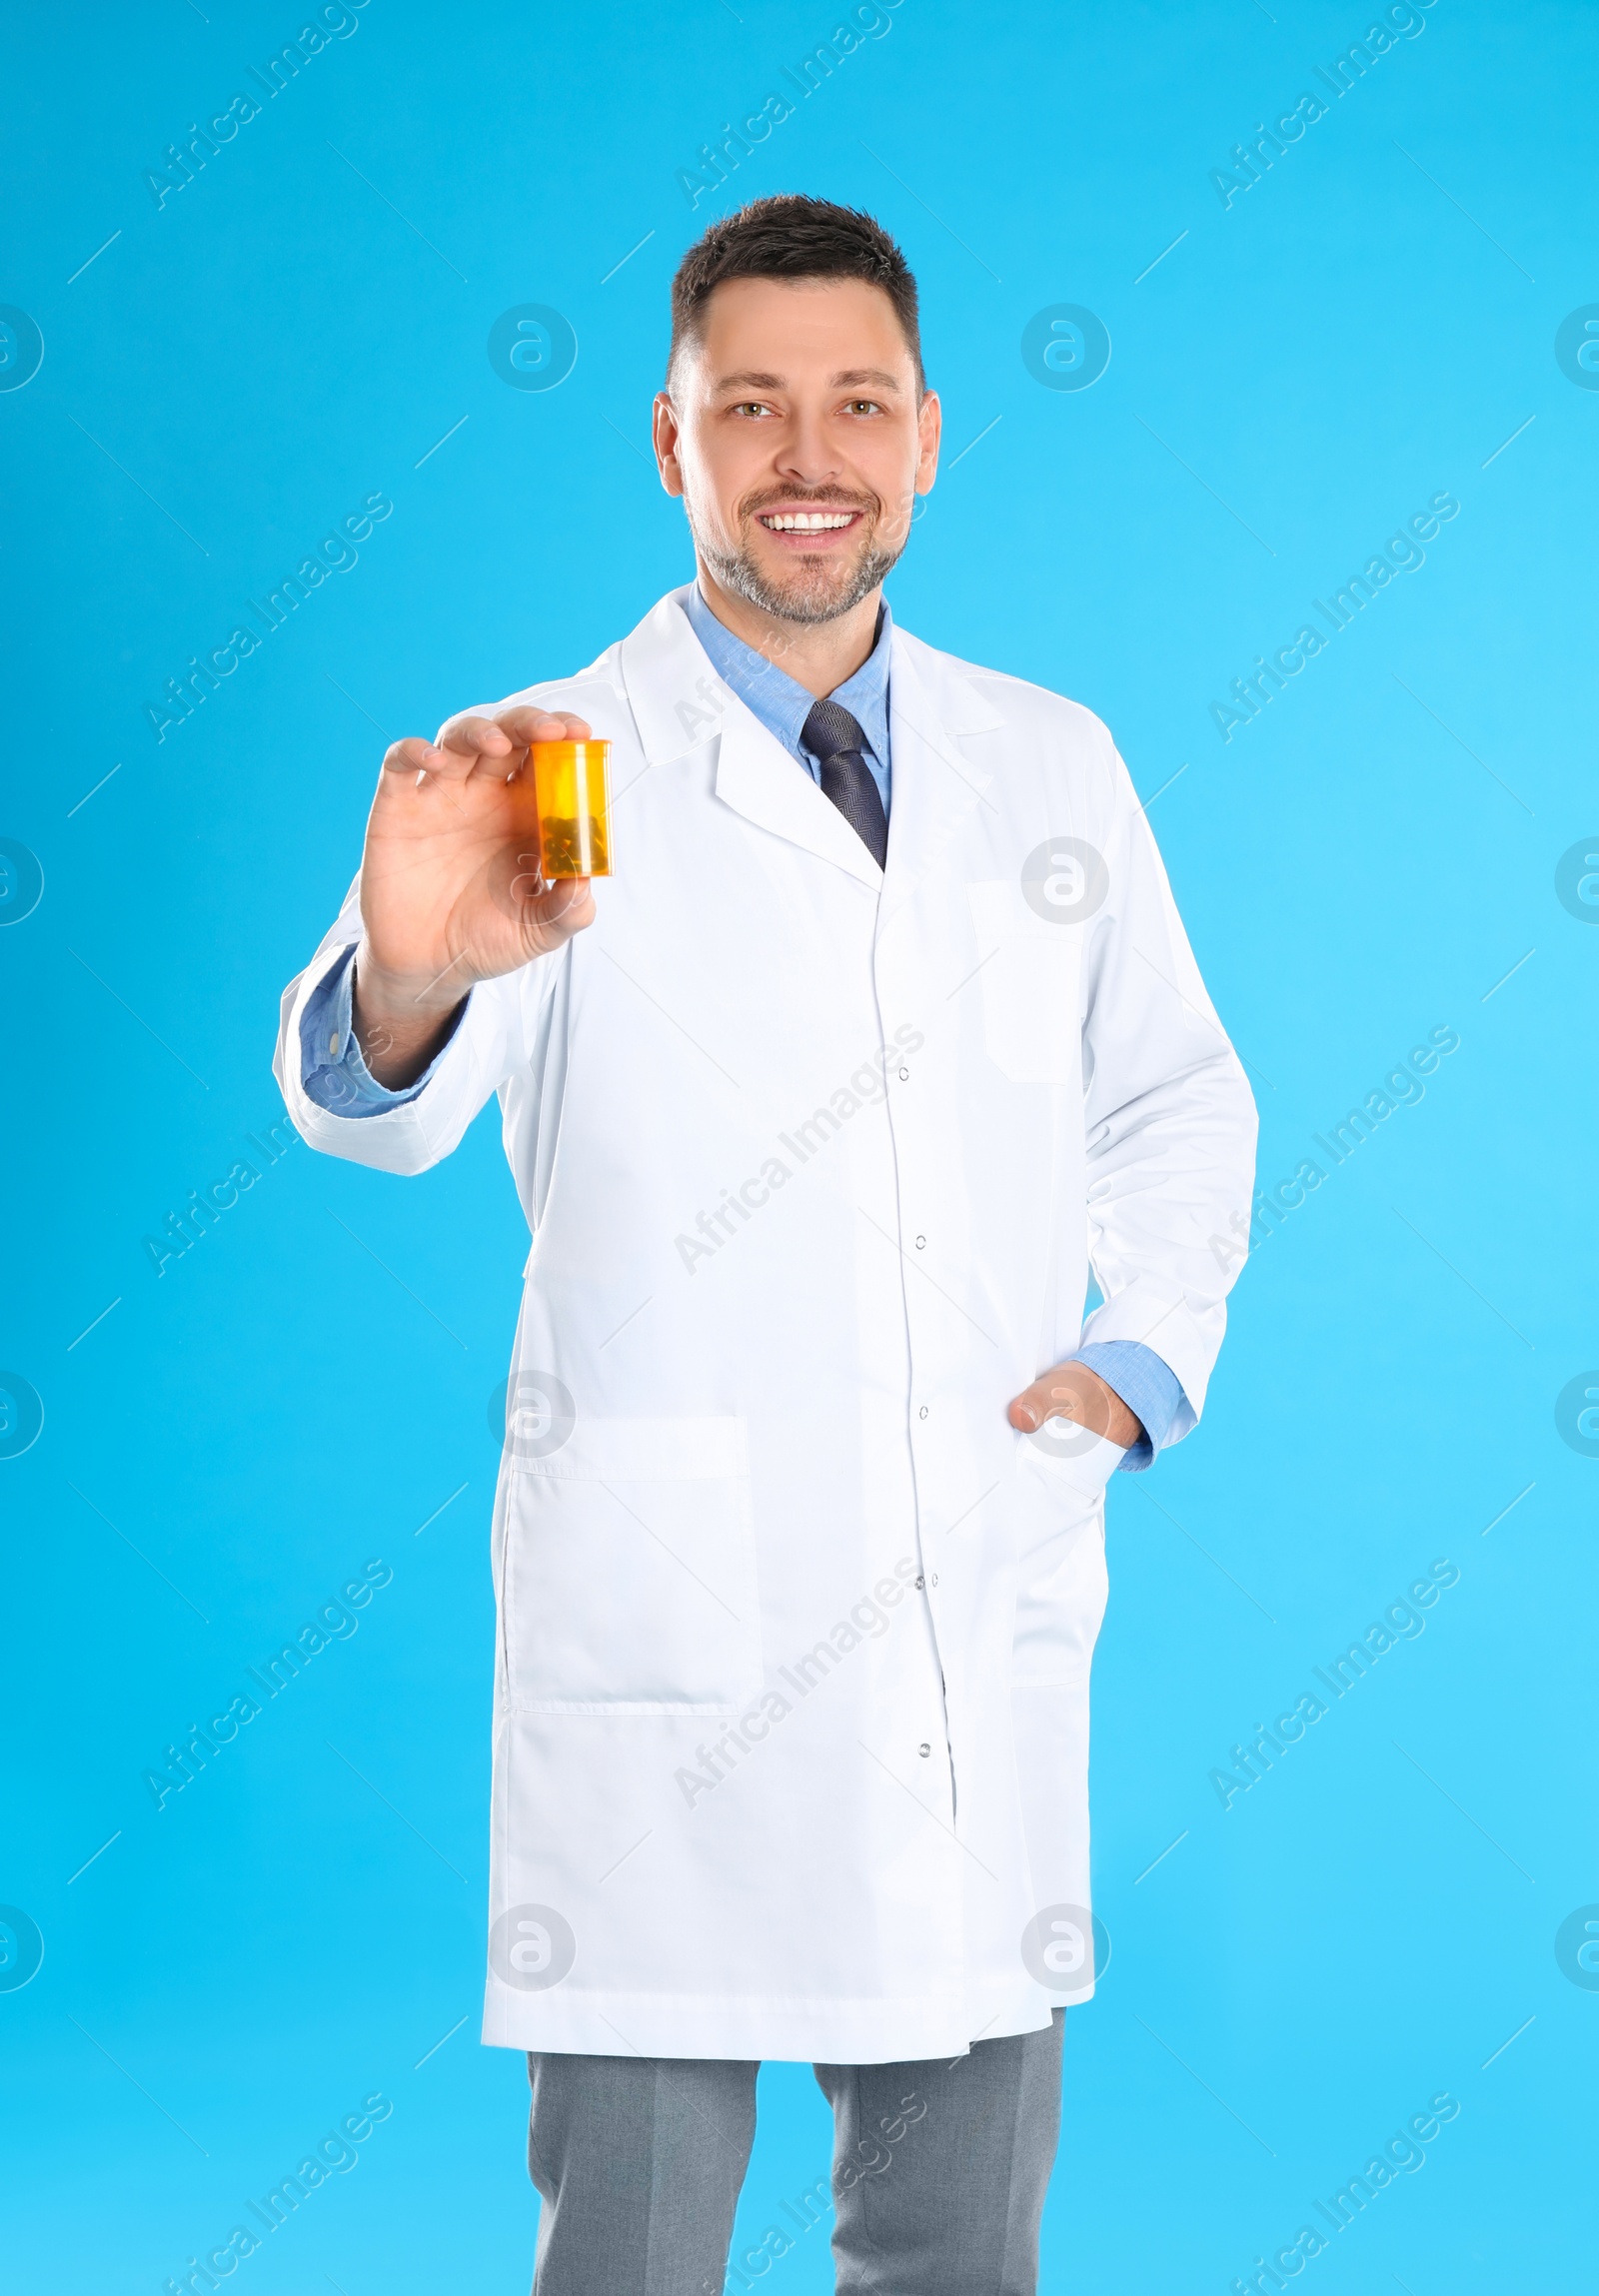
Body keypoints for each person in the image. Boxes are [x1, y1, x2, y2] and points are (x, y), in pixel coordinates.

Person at [274, 193, 1256, 2296]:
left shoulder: (1044, 763)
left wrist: (1140, 1357)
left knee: (955, 2256)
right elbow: (384, 1102)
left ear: (925, 442)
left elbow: (1172, 1092)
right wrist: (413, 982)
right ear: (668, 443)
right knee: (628, 2258)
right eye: (749, 407)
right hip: (672, 1659)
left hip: (966, 1600)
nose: (805, 454)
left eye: (855, 404)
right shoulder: (557, 766)